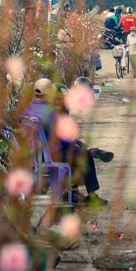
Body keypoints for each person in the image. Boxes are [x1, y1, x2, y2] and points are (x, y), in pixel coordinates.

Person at [20, 78, 113, 206]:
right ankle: (92, 197)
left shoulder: (26, 112)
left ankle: (71, 191)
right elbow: (64, 137)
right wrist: (74, 145)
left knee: (78, 149)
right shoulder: (50, 112)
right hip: (50, 155)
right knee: (85, 156)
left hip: (34, 155)